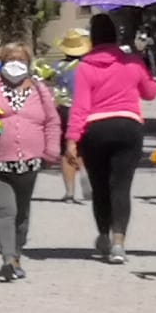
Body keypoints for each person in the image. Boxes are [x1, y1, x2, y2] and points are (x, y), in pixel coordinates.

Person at [66, 12, 156, 264]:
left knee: (99, 187)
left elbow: (80, 107)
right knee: (121, 186)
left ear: (93, 38)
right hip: (128, 126)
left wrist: (72, 140)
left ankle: (103, 236)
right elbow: (151, 93)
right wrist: (144, 69)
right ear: (115, 36)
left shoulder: (85, 67)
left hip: (96, 129)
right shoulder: (132, 62)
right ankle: (119, 243)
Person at [0, 44, 62, 282]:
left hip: (30, 163)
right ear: (0, 61)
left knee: (22, 214)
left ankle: (17, 254)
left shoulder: (40, 90)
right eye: (9, 58)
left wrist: (52, 150)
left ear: (29, 62)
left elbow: (52, 122)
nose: (15, 62)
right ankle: (8, 259)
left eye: (20, 58)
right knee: (5, 211)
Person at [48, 28, 89, 204]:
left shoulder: (57, 67)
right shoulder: (89, 67)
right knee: (85, 149)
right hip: (86, 110)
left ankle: (69, 191)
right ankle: (88, 184)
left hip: (64, 109)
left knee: (67, 149)